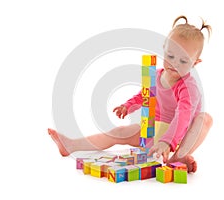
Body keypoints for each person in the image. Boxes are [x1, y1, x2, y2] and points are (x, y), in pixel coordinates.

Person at [48, 15, 213, 173]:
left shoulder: (189, 87)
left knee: (205, 119)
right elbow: (144, 95)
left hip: (180, 139)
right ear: (164, 49)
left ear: (195, 63)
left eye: (183, 61)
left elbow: (183, 115)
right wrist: (127, 106)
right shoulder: (155, 74)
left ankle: (178, 157)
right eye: (170, 56)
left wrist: (167, 142)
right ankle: (71, 145)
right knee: (120, 132)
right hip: (152, 133)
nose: (174, 63)